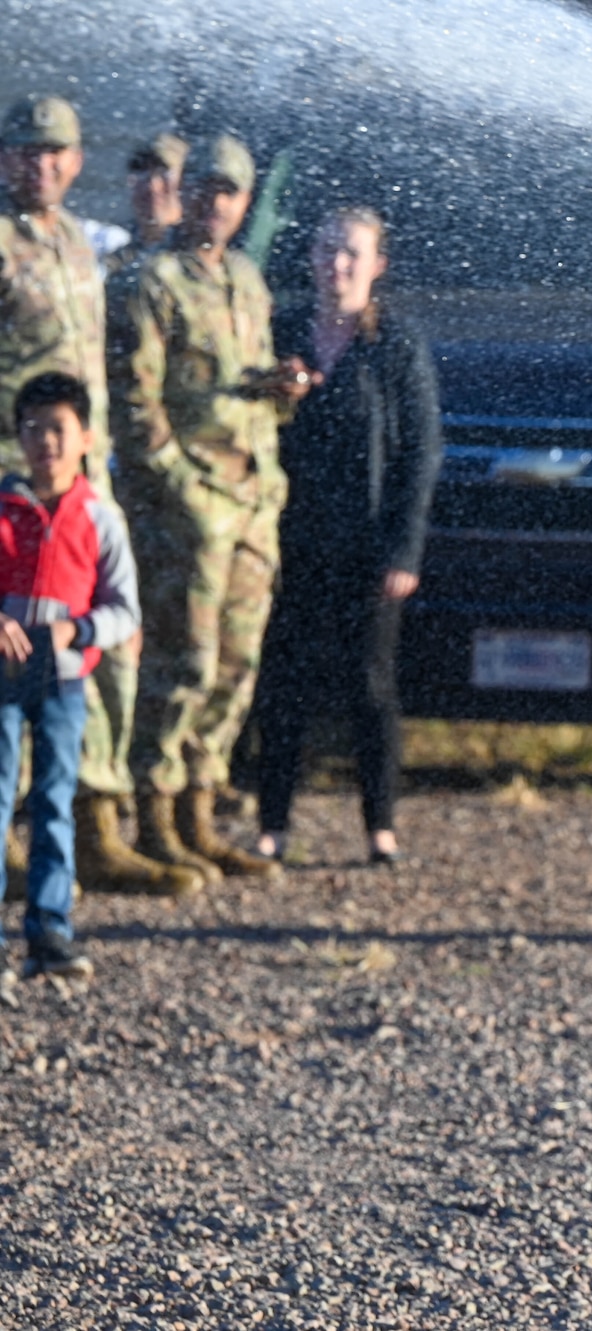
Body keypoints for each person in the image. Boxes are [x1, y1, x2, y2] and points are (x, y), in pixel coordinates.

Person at [0, 96, 198, 898]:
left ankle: (97, 826)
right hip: (15, 486)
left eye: (54, 152)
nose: (39, 164)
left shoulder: (83, 244)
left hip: (85, 485)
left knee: (101, 647)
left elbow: (162, 254)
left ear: (78, 161)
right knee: (14, 653)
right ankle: (13, 839)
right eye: (23, 151)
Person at [107, 133, 315, 884]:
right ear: (183, 191)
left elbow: (239, 384)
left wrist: (281, 387)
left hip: (253, 501)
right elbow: (134, 410)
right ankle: (155, 816)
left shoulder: (247, 282)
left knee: (236, 665)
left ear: (245, 204)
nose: (214, 203)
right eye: (203, 188)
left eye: (228, 193)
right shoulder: (151, 282)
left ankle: (201, 810)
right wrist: (181, 489)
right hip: (187, 509)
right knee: (182, 662)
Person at [253, 207, 440, 866]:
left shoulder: (394, 342)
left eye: (352, 254)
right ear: (310, 257)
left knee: (372, 685)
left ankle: (379, 826)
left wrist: (405, 548)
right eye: (328, 250)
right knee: (284, 683)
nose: (338, 265)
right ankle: (272, 823)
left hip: (369, 543)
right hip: (291, 540)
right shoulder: (280, 331)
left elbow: (421, 451)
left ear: (377, 266)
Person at [0, 373, 142, 984]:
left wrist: (76, 632)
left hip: (61, 681)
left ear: (85, 437)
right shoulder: (3, 509)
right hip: (2, 678)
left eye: (58, 428)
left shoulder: (98, 517)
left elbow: (124, 609)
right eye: (32, 429)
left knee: (55, 801)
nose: (46, 442)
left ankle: (50, 931)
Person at [85, 132, 189, 277]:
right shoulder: (116, 260)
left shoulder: (198, 257)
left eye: (163, 173)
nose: (152, 186)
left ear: (186, 183)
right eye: (142, 173)